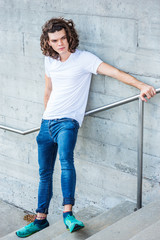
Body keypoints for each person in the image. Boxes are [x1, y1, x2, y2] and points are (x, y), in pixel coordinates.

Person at [16, 17, 156, 238]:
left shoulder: (84, 59)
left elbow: (115, 72)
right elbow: (48, 90)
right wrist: (45, 117)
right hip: (46, 124)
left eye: (63, 38)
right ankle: (40, 219)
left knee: (66, 162)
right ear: (49, 42)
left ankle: (68, 214)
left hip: (67, 123)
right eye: (55, 40)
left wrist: (142, 85)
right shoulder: (49, 60)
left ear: (69, 36)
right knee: (44, 173)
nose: (60, 43)